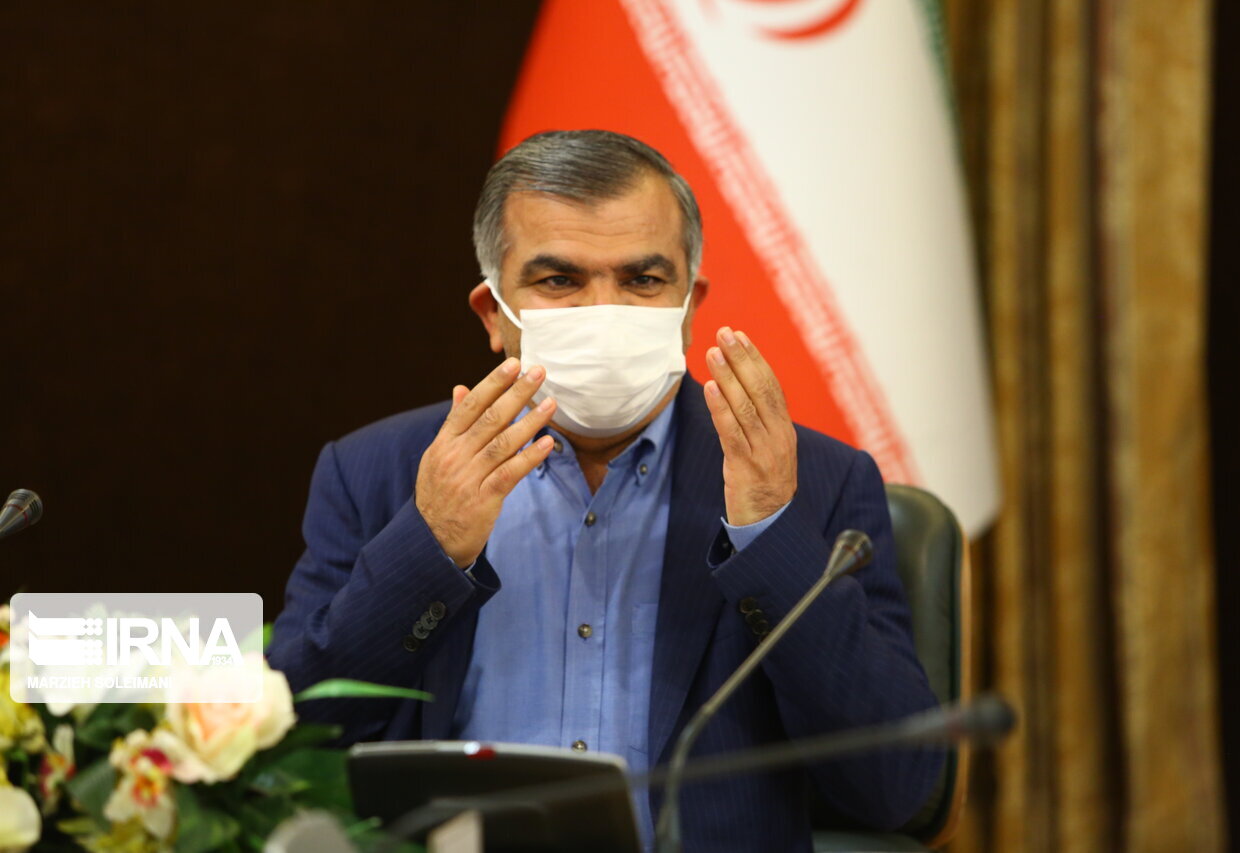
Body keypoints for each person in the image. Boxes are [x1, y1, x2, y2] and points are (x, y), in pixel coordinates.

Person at [268, 130, 942, 852]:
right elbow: (287, 749)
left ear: (689, 306)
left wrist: (769, 534)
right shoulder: (376, 473)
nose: (604, 310)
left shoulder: (816, 481)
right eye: (559, 281)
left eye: (643, 281)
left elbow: (897, 788)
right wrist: (430, 548)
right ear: (493, 314)